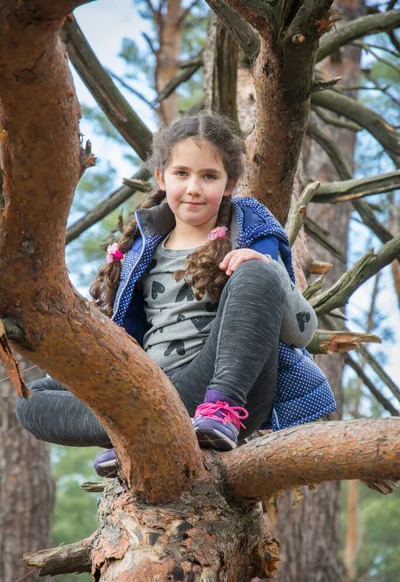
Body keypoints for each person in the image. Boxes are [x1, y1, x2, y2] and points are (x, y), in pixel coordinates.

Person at [16, 111, 336, 478]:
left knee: (256, 270)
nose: (194, 188)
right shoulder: (141, 246)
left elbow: (302, 332)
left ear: (230, 184)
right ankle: (133, 434)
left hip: (226, 388)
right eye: (182, 173)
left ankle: (218, 412)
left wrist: (270, 270)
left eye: (209, 176)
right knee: (31, 398)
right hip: (150, 390)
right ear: (161, 178)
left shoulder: (248, 229)